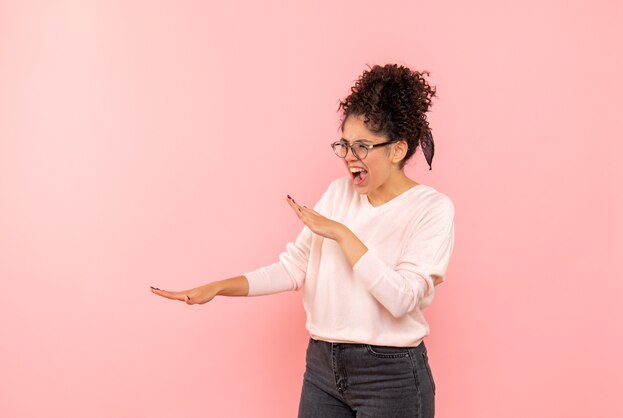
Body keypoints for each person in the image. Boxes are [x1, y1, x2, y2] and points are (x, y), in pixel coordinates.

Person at [150, 63, 455, 418]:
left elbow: (402, 299)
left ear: (397, 149)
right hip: (324, 368)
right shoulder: (338, 194)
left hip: (390, 376)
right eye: (343, 145)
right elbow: (294, 268)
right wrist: (219, 287)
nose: (348, 158)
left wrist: (342, 234)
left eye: (361, 147)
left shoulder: (431, 208)